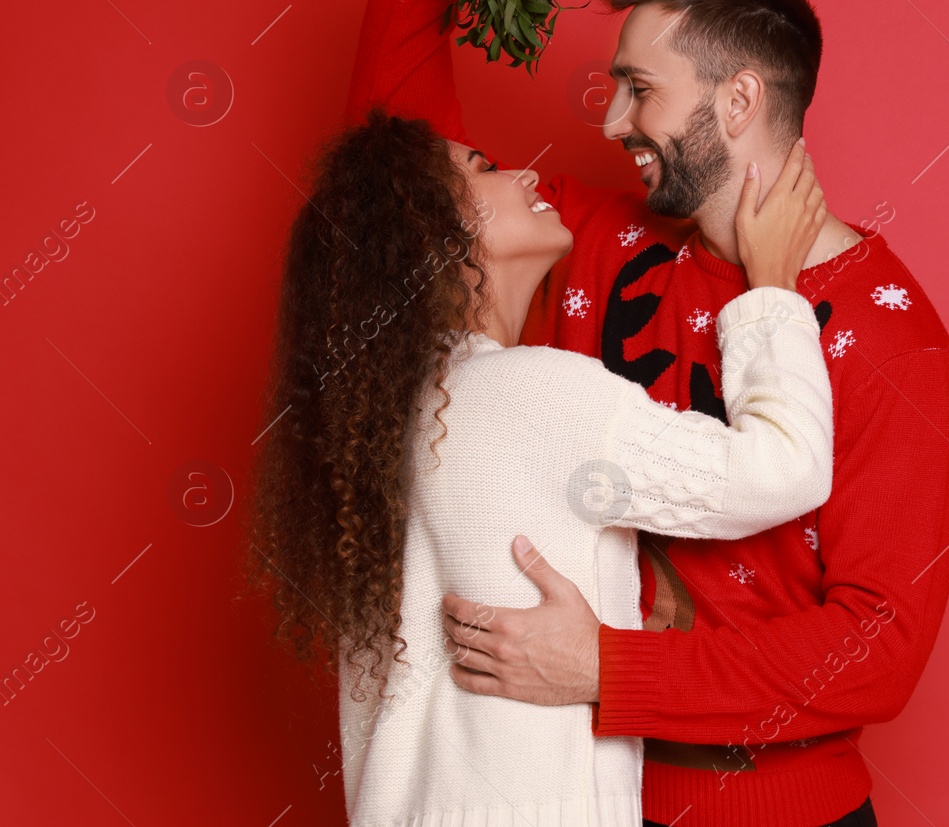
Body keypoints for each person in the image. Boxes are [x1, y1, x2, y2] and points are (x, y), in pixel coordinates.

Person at [346, 0, 949, 827]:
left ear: (735, 104)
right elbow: (406, 191)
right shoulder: (589, 242)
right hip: (582, 793)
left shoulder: (894, 340)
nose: (607, 120)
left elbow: (877, 646)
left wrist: (610, 667)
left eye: (638, 89)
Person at [251, 111, 838, 826]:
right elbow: (783, 469)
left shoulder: (378, 429)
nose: (524, 174)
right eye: (479, 165)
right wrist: (771, 289)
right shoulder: (533, 394)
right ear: (430, 231)